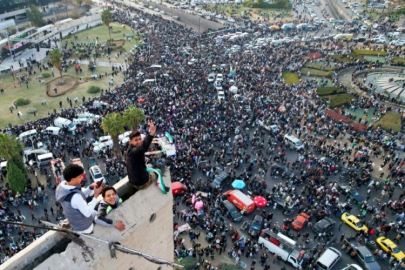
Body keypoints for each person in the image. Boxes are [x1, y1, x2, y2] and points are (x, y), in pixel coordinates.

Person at [55, 164, 104, 233]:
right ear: (73, 179)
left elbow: (81, 194)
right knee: (100, 214)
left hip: (75, 224)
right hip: (85, 228)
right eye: (80, 177)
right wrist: (96, 195)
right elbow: (87, 213)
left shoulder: (62, 186)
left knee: (96, 213)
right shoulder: (75, 197)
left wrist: (91, 187)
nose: (82, 178)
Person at [126, 120, 168, 192]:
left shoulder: (129, 149)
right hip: (142, 184)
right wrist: (151, 134)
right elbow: (142, 148)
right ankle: (163, 188)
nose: (139, 141)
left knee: (150, 166)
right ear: (131, 142)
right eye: (136, 140)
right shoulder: (134, 151)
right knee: (158, 171)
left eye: (140, 139)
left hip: (133, 180)